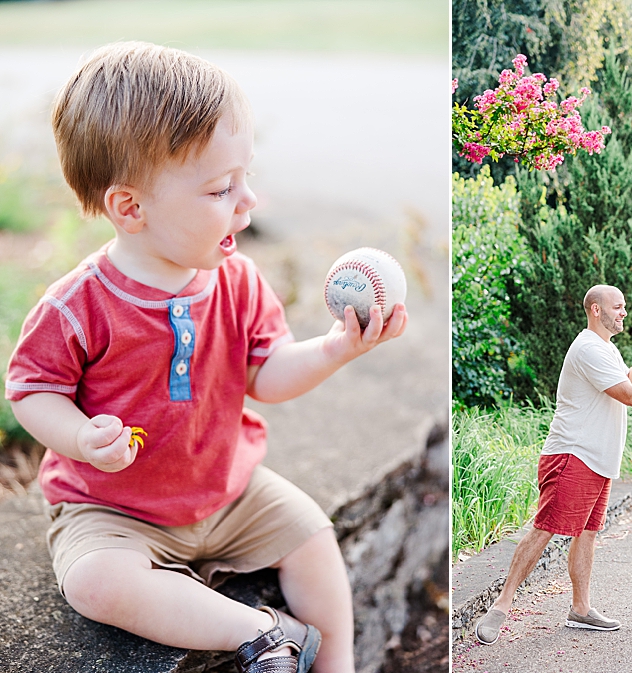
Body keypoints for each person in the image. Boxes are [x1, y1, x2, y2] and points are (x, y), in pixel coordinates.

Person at [4, 43, 406, 673]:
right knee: (93, 584)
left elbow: (264, 377)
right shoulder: (76, 305)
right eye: (222, 188)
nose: (248, 202)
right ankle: (264, 633)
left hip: (229, 488)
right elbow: (31, 390)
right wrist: (80, 435)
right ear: (129, 207)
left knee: (313, 537)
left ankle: (337, 665)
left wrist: (334, 349)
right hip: (114, 506)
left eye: (245, 177)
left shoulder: (238, 281)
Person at [474, 284, 632, 645]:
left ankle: (581, 609)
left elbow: (628, 384)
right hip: (573, 455)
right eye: (618, 306)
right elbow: (628, 395)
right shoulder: (587, 348)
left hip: (597, 459)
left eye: (624, 306)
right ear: (596, 309)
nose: (624, 312)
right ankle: (500, 607)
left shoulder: (605, 348)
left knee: (587, 534)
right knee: (545, 528)